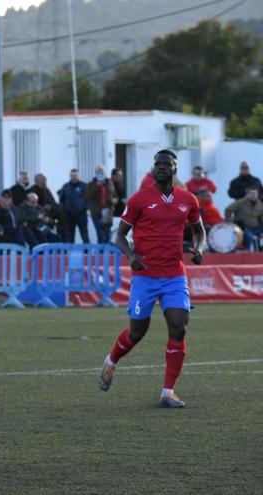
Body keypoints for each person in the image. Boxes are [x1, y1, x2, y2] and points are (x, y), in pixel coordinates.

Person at [98, 149, 205, 408]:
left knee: (179, 325)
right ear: (153, 168)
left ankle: (168, 392)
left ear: (175, 169)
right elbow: (120, 235)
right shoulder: (139, 199)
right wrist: (130, 256)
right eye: (158, 163)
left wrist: (199, 249)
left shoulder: (187, 199)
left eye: (167, 164)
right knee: (137, 332)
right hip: (145, 276)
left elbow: (199, 230)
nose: (161, 167)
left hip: (174, 276)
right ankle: (111, 360)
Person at [86, 164, 117, 243]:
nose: (100, 173)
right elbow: (88, 196)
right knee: (100, 234)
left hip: (107, 211)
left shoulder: (109, 182)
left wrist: (115, 199)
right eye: (98, 171)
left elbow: (114, 194)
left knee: (107, 234)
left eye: (102, 171)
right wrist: (97, 186)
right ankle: (102, 252)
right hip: (96, 212)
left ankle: (107, 251)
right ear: (96, 173)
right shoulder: (91, 183)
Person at [58, 169, 90, 243]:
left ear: (78, 176)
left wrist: (86, 208)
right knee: (70, 236)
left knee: (84, 235)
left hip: (81, 214)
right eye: (72, 175)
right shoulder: (65, 186)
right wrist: (64, 209)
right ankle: (70, 252)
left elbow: (88, 199)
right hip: (69, 215)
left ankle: (87, 253)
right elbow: (61, 199)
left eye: (75, 175)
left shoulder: (84, 186)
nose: (73, 177)